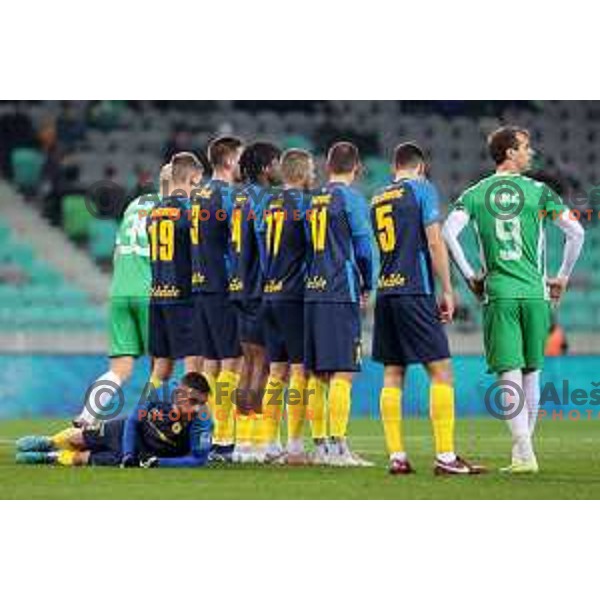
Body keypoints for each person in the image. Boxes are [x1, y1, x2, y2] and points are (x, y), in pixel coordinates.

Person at [443, 126, 585, 474]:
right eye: (525, 147)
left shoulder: (475, 193)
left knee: (508, 372)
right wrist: (563, 277)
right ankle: (523, 454)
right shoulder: (539, 191)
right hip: (536, 294)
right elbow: (576, 232)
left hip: (500, 294)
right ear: (509, 153)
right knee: (531, 372)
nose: (531, 152)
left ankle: (524, 453)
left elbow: (448, 232)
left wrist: (470, 277)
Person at [371, 143, 485, 475]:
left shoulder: (377, 197)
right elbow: (435, 241)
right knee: (441, 371)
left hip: (387, 293)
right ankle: (446, 457)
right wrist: (448, 289)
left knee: (393, 373)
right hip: (415, 290)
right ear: (420, 168)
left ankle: (397, 456)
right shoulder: (422, 190)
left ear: (395, 167)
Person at [73, 163, 171, 427]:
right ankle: (148, 422)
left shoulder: (135, 204)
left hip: (119, 290)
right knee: (160, 364)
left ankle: (87, 415)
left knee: (120, 368)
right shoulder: (171, 208)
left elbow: (118, 252)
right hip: (151, 291)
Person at [303, 142, 374, 466]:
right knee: (343, 371)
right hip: (338, 290)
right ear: (356, 168)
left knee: (317, 373)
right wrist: (367, 282)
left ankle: (319, 446)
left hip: (312, 291)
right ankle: (339, 448)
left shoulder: (313, 198)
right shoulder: (351, 198)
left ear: (327, 165)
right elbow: (362, 247)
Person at [16, 373, 213, 468]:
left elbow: (198, 459)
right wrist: (127, 453)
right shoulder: (157, 392)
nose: (197, 409)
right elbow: (133, 421)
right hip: (126, 432)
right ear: (179, 394)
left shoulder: (202, 422)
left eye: (201, 403)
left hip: (145, 453)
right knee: (79, 439)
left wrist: (158, 462)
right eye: (193, 401)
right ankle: (49, 442)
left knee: (83, 459)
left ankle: (50, 457)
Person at [258, 149, 314, 464]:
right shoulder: (304, 205)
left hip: (270, 292)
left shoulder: (268, 204)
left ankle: (270, 442)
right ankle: (294, 445)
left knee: (275, 372)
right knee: (298, 371)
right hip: (294, 295)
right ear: (304, 173)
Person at [190, 136, 245, 460]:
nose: (242, 164)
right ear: (227, 161)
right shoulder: (226, 196)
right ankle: (224, 440)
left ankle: (205, 434)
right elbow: (234, 244)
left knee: (210, 363)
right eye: (239, 158)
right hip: (222, 286)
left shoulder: (198, 195)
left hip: (200, 286)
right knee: (231, 361)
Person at [148, 152, 204, 385]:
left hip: (159, 295)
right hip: (184, 296)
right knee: (193, 364)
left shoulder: (154, 213)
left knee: (161, 368)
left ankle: (144, 416)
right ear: (192, 176)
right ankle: (190, 419)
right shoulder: (190, 212)